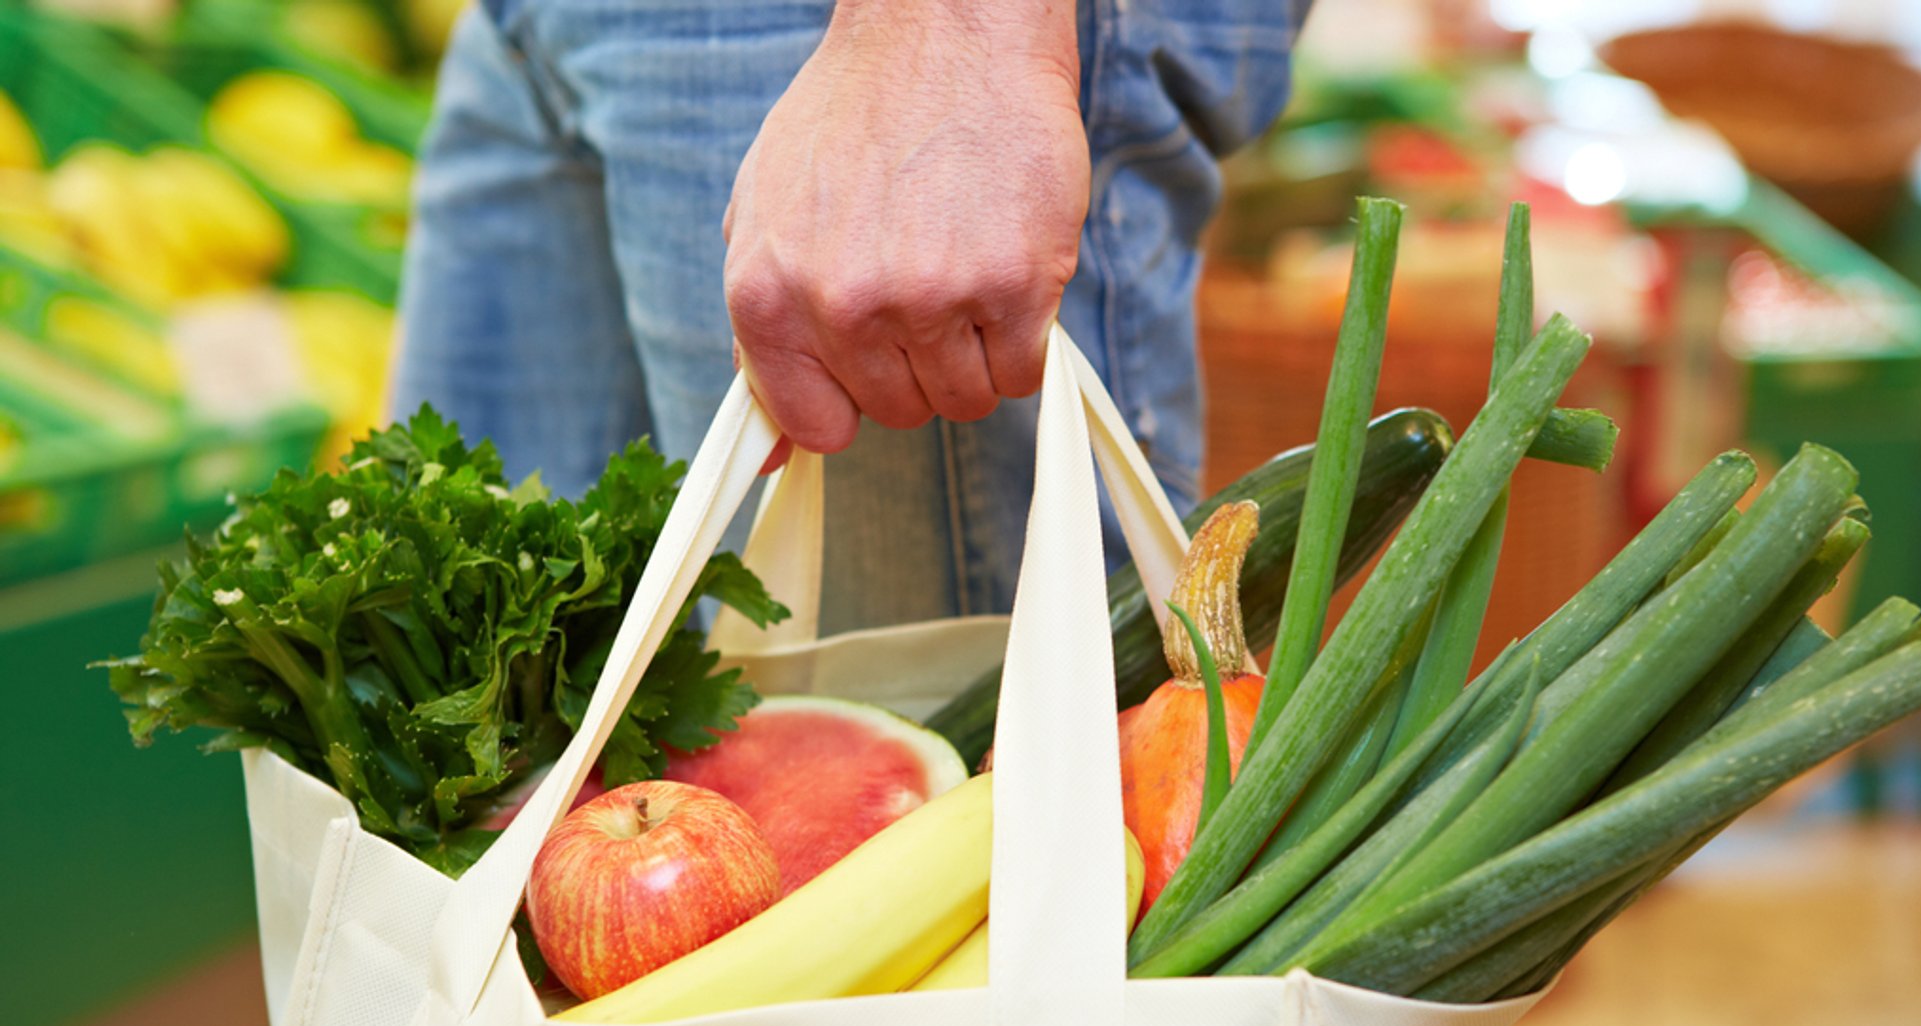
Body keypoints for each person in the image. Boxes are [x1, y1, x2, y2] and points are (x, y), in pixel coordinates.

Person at [394, 0, 1308, 631]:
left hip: (869, 34)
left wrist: (950, 32)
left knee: (946, 833)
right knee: (468, 748)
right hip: (551, 28)